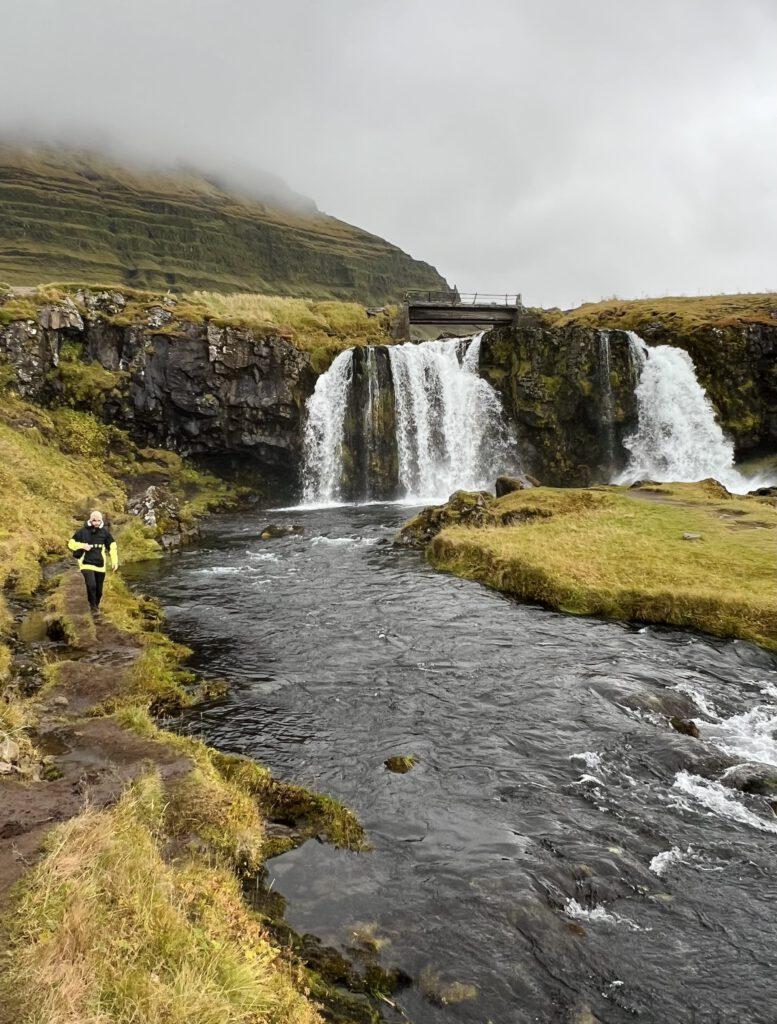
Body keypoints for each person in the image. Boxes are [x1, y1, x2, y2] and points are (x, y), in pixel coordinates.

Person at [68, 510, 119, 612]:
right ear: (90, 520)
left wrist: (115, 561)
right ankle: (93, 607)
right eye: (94, 520)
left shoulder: (105, 533)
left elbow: (112, 547)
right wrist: (82, 545)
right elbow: (71, 543)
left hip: (100, 565)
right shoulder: (82, 531)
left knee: (99, 591)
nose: (96, 523)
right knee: (91, 585)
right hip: (85, 563)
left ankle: (96, 605)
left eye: (98, 521)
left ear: (101, 521)